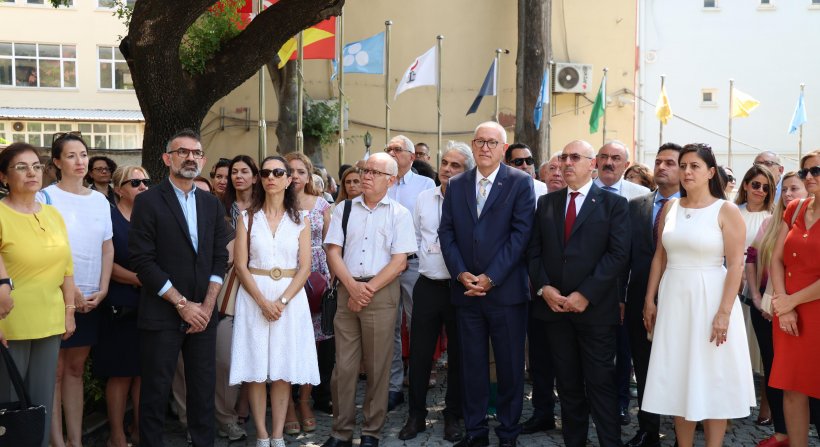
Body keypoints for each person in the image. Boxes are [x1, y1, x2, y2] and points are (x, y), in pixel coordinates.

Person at [642, 143, 756, 447]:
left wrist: (723, 313)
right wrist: (650, 299)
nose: (687, 171)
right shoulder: (671, 207)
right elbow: (659, 257)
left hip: (711, 300)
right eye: (683, 166)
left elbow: (736, 265)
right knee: (679, 377)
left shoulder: (726, 210)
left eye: (694, 166)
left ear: (710, 172)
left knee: (712, 377)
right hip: (674, 300)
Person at [129, 129, 230, 447]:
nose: (190, 158)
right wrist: (183, 305)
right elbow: (142, 261)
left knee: (203, 390)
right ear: (167, 158)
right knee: (155, 393)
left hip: (204, 315)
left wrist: (207, 306)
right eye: (182, 152)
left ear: (203, 160)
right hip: (162, 313)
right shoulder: (147, 202)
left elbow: (219, 257)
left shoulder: (211, 204)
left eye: (196, 153)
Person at [526, 139, 630, 447]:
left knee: (601, 384)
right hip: (555, 310)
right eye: (563, 157)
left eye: (575, 157)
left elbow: (618, 254)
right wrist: (544, 288)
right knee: (568, 385)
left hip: (595, 311)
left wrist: (585, 294)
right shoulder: (547, 203)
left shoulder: (613, 204)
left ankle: (610, 442)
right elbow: (534, 252)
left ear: (592, 164)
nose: (567, 163)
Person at [439, 121, 534, 447]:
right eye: (480, 141)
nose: (485, 147)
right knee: (472, 367)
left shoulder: (520, 182)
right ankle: (476, 432)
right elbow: (446, 232)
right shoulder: (457, 184)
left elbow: (521, 235)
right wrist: (460, 272)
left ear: (503, 148)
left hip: (505, 293)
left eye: (492, 142)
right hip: (466, 292)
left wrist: (491, 277)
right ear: (473, 144)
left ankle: (508, 433)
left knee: (509, 368)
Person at [321, 152, 416, 447]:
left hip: (381, 291)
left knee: (377, 367)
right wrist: (352, 287)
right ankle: (341, 432)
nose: (366, 176)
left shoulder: (399, 213)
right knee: (344, 368)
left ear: (391, 180)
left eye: (375, 172)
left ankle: (372, 432)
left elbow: (400, 262)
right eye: (365, 170)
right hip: (347, 289)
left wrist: (367, 290)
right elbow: (333, 251)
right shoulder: (345, 209)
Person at [230, 155, 319, 447]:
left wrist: (281, 301)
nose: (271, 177)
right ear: (260, 178)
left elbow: (305, 267)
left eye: (278, 172)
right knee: (256, 370)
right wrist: (262, 301)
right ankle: (262, 434)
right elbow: (240, 265)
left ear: (288, 179)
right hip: (253, 296)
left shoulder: (301, 219)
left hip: (289, 300)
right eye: (266, 172)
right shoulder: (247, 218)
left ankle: (278, 435)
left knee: (282, 368)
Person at [0, 142, 76, 447]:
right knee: (9, 404)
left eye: (35, 166)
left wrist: (69, 311)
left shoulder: (53, 215)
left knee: (41, 402)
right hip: (10, 322)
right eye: (21, 167)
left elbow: (67, 268)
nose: (32, 172)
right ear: (4, 176)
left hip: (50, 320)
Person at [41, 132, 114, 447]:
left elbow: (107, 247)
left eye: (83, 154)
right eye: (71, 155)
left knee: (75, 369)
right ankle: (57, 442)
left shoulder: (99, 200)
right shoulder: (45, 198)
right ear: (57, 162)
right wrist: (69, 293)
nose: (79, 161)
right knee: (54, 372)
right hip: (56, 297)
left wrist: (104, 288)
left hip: (92, 298)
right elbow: (46, 252)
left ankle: (76, 440)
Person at [398, 141, 474, 442]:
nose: (447, 169)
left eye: (456, 165)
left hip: (460, 288)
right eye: (445, 163)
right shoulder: (424, 198)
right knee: (419, 354)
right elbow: (416, 236)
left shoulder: (472, 199)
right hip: (428, 284)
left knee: (459, 355)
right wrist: (427, 258)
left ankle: (452, 414)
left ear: (467, 172)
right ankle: (416, 415)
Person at [623, 142, 682, 447]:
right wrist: (621, 298)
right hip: (639, 298)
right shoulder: (636, 205)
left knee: (680, 367)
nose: (661, 167)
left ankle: (682, 432)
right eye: (658, 161)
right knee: (644, 366)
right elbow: (623, 257)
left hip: (681, 299)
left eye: (670, 162)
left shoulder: (696, 207)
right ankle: (648, 430)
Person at [746, 171, 808, 447]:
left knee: (804, 377)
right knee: (775, 371)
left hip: (802, 308)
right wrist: (758, 297)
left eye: (795, 188)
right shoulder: (771, 223)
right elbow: (752, 259)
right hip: (768, 309)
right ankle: (782, 432)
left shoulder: (810, 224)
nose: (788, 194)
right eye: (785, 189)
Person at [91, 165, 150, 447]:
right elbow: (106, 262)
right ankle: (116, 435)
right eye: (135, 182)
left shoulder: (149, 217)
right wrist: (141, 279)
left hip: (148, 304)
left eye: (145, 181)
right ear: (118, 190)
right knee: (121, 374)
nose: (143, 186)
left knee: (142, 373)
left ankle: (139, 430)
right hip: (119, 305)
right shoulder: (110, 218)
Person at [593, 140, 649, 426]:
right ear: (595, 161)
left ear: (626, 165)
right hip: (584, 286)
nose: (609, 162)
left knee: (623, 350)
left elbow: (639, 249)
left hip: (623, 288)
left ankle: (620, 404)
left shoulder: (640, 197)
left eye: (616, 158)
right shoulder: (582, 191)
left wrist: (624, 294)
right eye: (604, 156)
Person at [769, 149, 820, 447]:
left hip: (813, 311)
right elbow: (776, 259)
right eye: (805, 172)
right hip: (789, 313)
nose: (809, 176)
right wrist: (783, 303)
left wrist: (791, 301)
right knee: (791, 387)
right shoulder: (795, 209)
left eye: (816, 171)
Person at [385, 134, 435, 411]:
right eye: (388, 149)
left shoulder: (425, 185)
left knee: (418, 327)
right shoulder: (381, 182)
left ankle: (418, 383)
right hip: (383, 266)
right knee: (389, 327)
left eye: (397, 149)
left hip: (414, 263)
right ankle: (393, 386)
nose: (391, 153)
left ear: (412, 156)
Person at [284, 151, 333, 431]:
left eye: (300, 171)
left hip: (315, 278)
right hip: (283, 275)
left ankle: (304, 400)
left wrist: (331, 280)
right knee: (286, 341)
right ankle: (287, 403)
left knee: (312, 343)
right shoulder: (273, 203)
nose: (295, 176)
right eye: (289, 171)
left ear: (308, 175)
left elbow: (330, 245)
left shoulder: (322, 204)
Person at [222, 155, 259, 228]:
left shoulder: (261, 206)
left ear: (254, 178)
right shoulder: (222, 205)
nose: (238, 176)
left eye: (244, 172)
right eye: (234, 172)